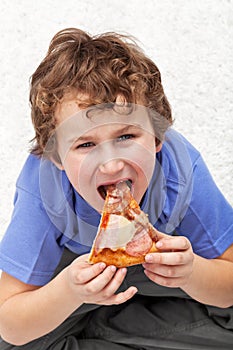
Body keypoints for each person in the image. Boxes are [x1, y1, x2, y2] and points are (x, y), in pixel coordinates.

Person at [0, 27, 233, 350]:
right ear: (55, 157)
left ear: (157, 138)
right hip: (73, 278)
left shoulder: (181, 172)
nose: (110, 165)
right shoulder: (44, 193)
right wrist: (68, 291)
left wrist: (193, 272)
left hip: (165, 279)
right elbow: (10, 323)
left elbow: (229, 283)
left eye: (126, 136)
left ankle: (106, 330)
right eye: (85, 144)